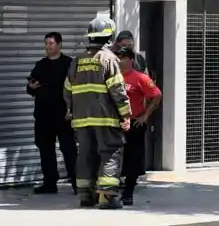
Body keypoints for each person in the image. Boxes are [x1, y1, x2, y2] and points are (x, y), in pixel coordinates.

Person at [65, 16, 131, 209]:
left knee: (85, 155)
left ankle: (86, 195)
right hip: (105, 118)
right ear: (109, 37)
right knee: (111, 152)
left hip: (81, 120)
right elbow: (117, 90)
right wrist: (125, 114)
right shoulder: (109, 59)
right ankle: (107, 196)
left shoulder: (77, 60)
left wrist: (71, 110)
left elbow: (67, 88)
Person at [26, 31, 77, 195]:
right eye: (46, 44)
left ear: (59, 44)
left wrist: (72, 110)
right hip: (43, 115)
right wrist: (31, 88)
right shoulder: (40, 65)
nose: (48, 47)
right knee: (45, 150)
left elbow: (76, 89)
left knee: (68, 149)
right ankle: (49, 182)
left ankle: (77, 183)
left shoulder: (69, 64)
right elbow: (30, 87)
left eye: (51, 43)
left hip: (63, 115)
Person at [115, 46, 162, 206]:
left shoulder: (140, 77)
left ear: (130, 60)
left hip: (135, 123)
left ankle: (128, 192)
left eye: (122, 58)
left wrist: (145, 115)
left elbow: (156, 95)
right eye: (118, 57)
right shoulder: (113, 77)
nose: (119, 61)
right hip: (116, 123)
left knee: (133, 158)